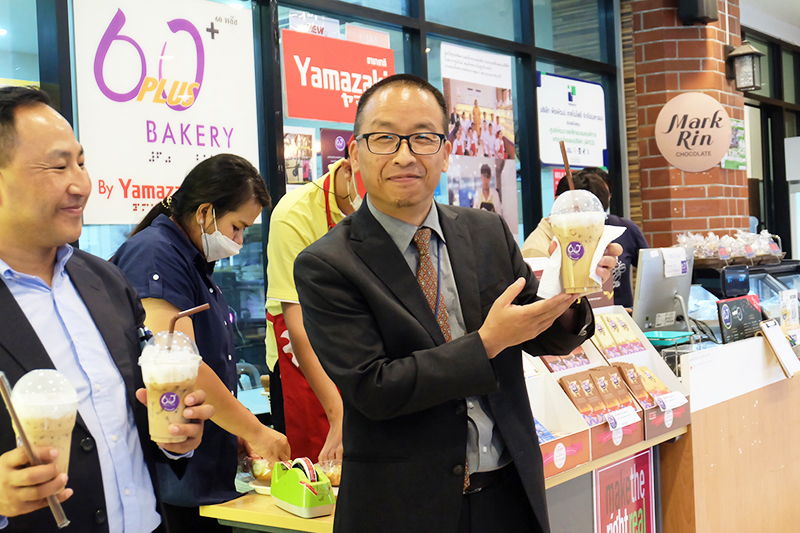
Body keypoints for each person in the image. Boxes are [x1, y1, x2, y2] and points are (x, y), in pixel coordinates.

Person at [293, 74, 621, 533]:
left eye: (423, 138)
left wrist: (571, 288)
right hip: (402, 509)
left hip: (508, 495)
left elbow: (543, 333)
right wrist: (486, 343)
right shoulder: (326, 264)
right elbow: (374, 389)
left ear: (446, 152)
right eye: (385, 138)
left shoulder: (485, 232)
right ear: (354, 153)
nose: (405, 155)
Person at [0, 86, 215, 532]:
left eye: (81, 162)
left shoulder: (106, 280)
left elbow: (137, 415)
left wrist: (177, 440)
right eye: (58, 166)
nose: (81, 183)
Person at [112, 154, 290, 531]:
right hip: (169, 467)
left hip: (199, 461)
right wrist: (255, 430)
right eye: (237, 227)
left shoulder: (191, 261)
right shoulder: (155, 254)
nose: (240, 241)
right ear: (205, 212)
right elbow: (179, 367)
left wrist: (232, 429)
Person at [266, 143, 360, 462]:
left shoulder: (381, 213)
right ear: (349, 165)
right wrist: (338, 417)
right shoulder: (295, 214)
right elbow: (298, 327)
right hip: (302, 360)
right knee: (316, 473)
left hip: (358, 361)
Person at [520, 169, 648, 308]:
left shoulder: (608, 232)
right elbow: (538, 313)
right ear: (559, 204)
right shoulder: (536, 251)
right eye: (582, 214)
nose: (588, 225)